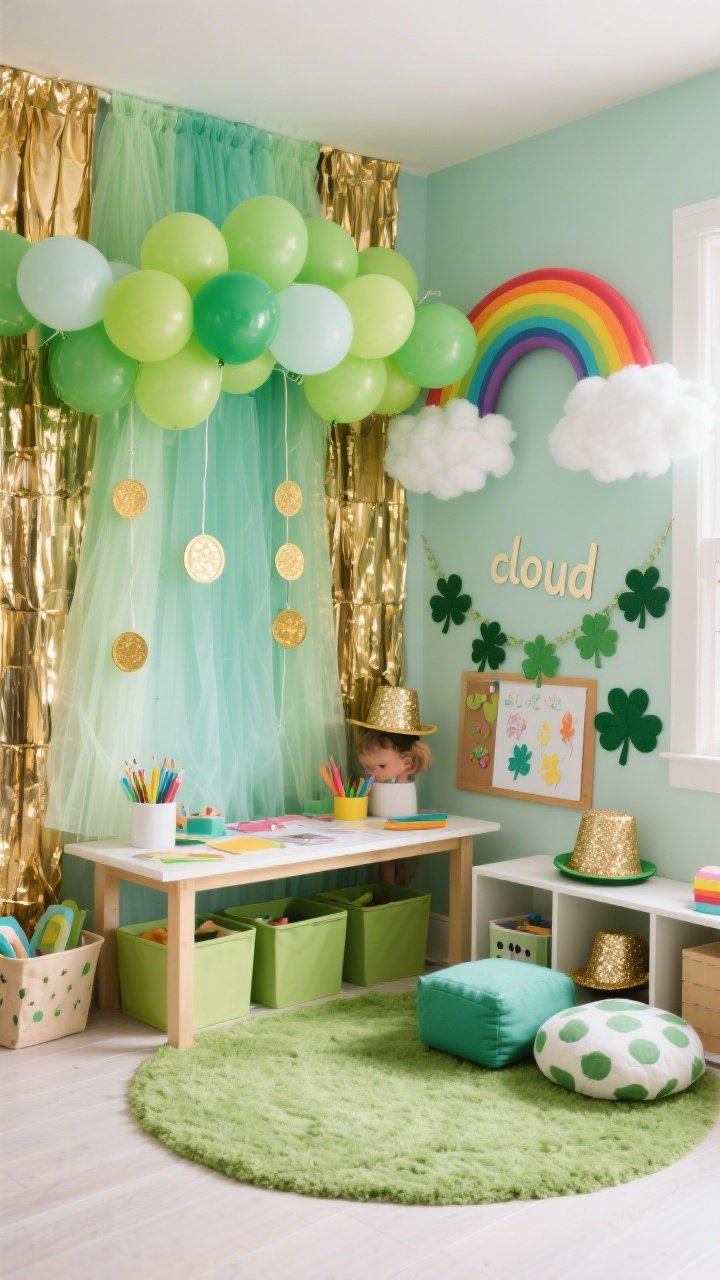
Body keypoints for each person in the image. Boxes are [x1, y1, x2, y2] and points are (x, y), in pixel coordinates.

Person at [348, 686, 436, 785]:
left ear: (407, 762)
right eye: (366, 767)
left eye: (382, 766)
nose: (370, 773)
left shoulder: (401, 789)